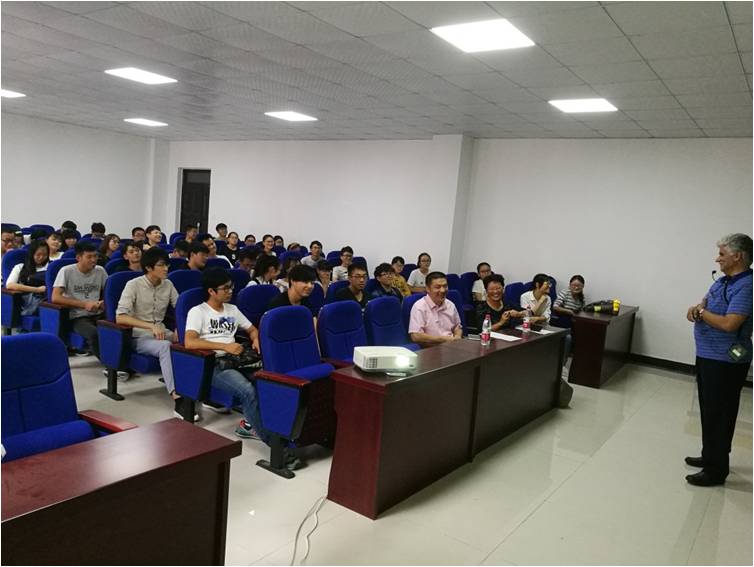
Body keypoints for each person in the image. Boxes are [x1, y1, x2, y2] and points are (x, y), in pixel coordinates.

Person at [685, 233, 753, 486]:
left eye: (722, 254)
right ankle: (709, 455)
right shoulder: (722, 282)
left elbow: (729, 323)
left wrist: (702, 312)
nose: (717, 259)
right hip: (708, 355)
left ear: (738, 256)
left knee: (720, 413)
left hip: (726, 361)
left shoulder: (747, 286)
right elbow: (703, 303)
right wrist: (696, 309)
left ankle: (716, 470)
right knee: (709, 409)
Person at [184, 269, 271, 445]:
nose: (230, 291)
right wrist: (224, 346)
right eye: (225, 288)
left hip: (237, 359)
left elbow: (252, 329)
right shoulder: (198, 311)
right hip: (214, 363)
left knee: (270, 382)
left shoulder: (232, 309)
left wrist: (255, 339)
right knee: (247, 391)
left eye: (231, 287)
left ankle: (251, 424)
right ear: (211, 291)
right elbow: (189, 342)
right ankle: (274, 443)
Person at [115, 247, 183, 404]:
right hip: (138, 336)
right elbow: (120, 317)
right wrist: (150, 326)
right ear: (148, 267)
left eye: (167, 265)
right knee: (165, 346)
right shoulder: (133, 285)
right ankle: (177, 394)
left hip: (162, 332)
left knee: (190, 340)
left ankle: (197, 389)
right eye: (161, 265)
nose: (166, 269)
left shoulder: (168, 284)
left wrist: (179, 328)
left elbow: (180, 309)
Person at [51, 241, 107, 358]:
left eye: (95, 256)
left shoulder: (100, 270)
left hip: (99, 313)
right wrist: (84, 305)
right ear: (78, 258)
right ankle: (110, 363)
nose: (94, 260)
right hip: (78, 316)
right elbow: (55, 297)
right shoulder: (66, 271)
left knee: (117, 330)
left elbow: (108, 293)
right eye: (89, 257)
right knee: (94, 334)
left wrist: (102, 302)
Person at [408, 271, 462, 347]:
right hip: (430, 348)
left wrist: (457, 336)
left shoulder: (450, 305)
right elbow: (416, 336)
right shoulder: (419, 307)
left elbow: (457, 326)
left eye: (445, 286)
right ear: (428, 289)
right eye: (437, 287)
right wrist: (442, 340)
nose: (443, 290)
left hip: (451, 346)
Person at [5, 239, 49, 316]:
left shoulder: (50, 267)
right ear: (32, 254)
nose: (41, 257)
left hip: (47, 298)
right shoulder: (20, 267)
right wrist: (37, 289)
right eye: (38, 255)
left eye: (45, 255)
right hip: (30, 300)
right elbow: (10, 285)